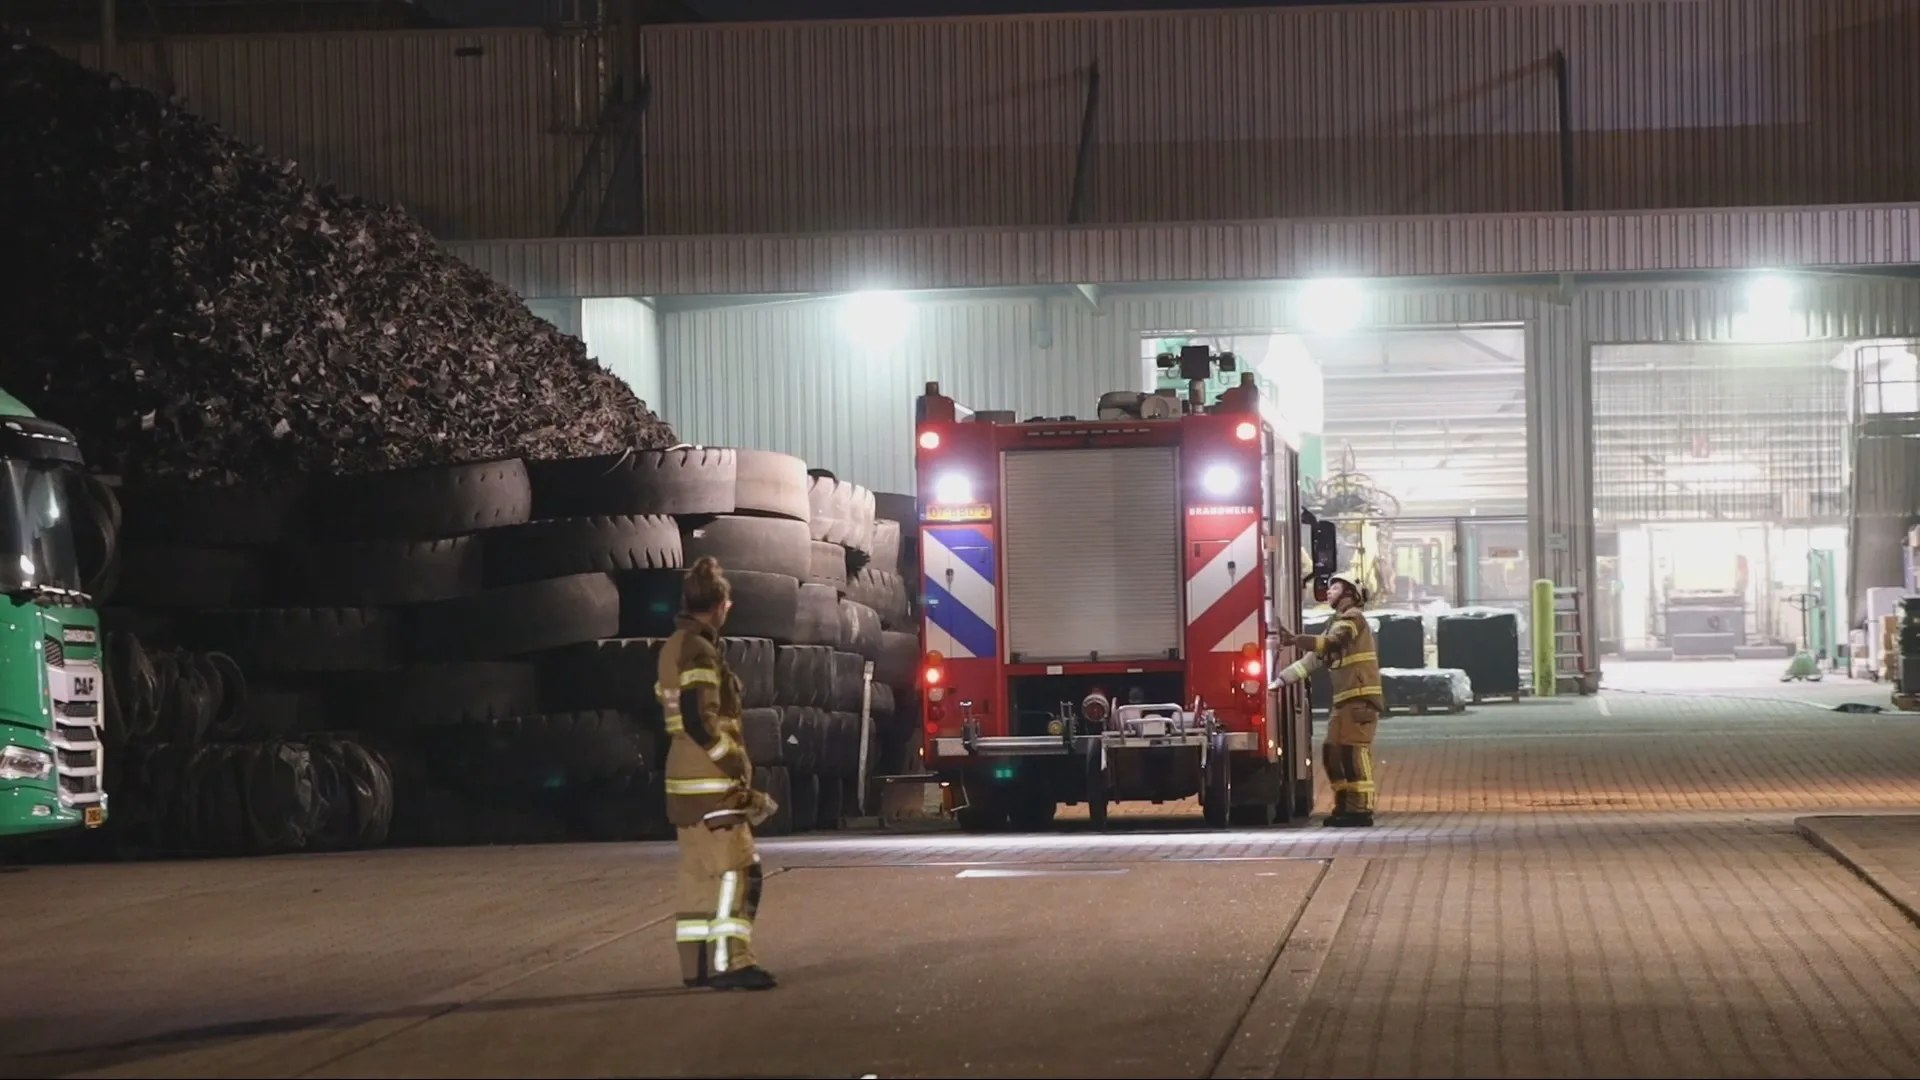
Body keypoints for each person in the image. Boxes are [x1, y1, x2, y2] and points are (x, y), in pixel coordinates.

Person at [659, 556, 779, 990]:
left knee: (697, 878)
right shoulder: (699, 650)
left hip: (683, 786)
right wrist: (733, 764)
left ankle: (698, 968)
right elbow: (699, 717)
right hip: (710, 785)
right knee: (741, 870)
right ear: (721, 605)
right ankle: (733, 962)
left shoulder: (674, 645)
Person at [1274, 572, 1383, 828]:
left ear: (1350, 593)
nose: (1329, 590)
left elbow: (1334, 642)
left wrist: (1295, 639)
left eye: (1335, 587)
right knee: (1333, 751)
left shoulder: (1353, 618)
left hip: (1360, 699)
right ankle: (1345, 805)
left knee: (1353, 752)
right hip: (1346, 701)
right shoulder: (1336, 621)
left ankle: (1361, 808)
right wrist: (1281, 681)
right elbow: (1313, 660)